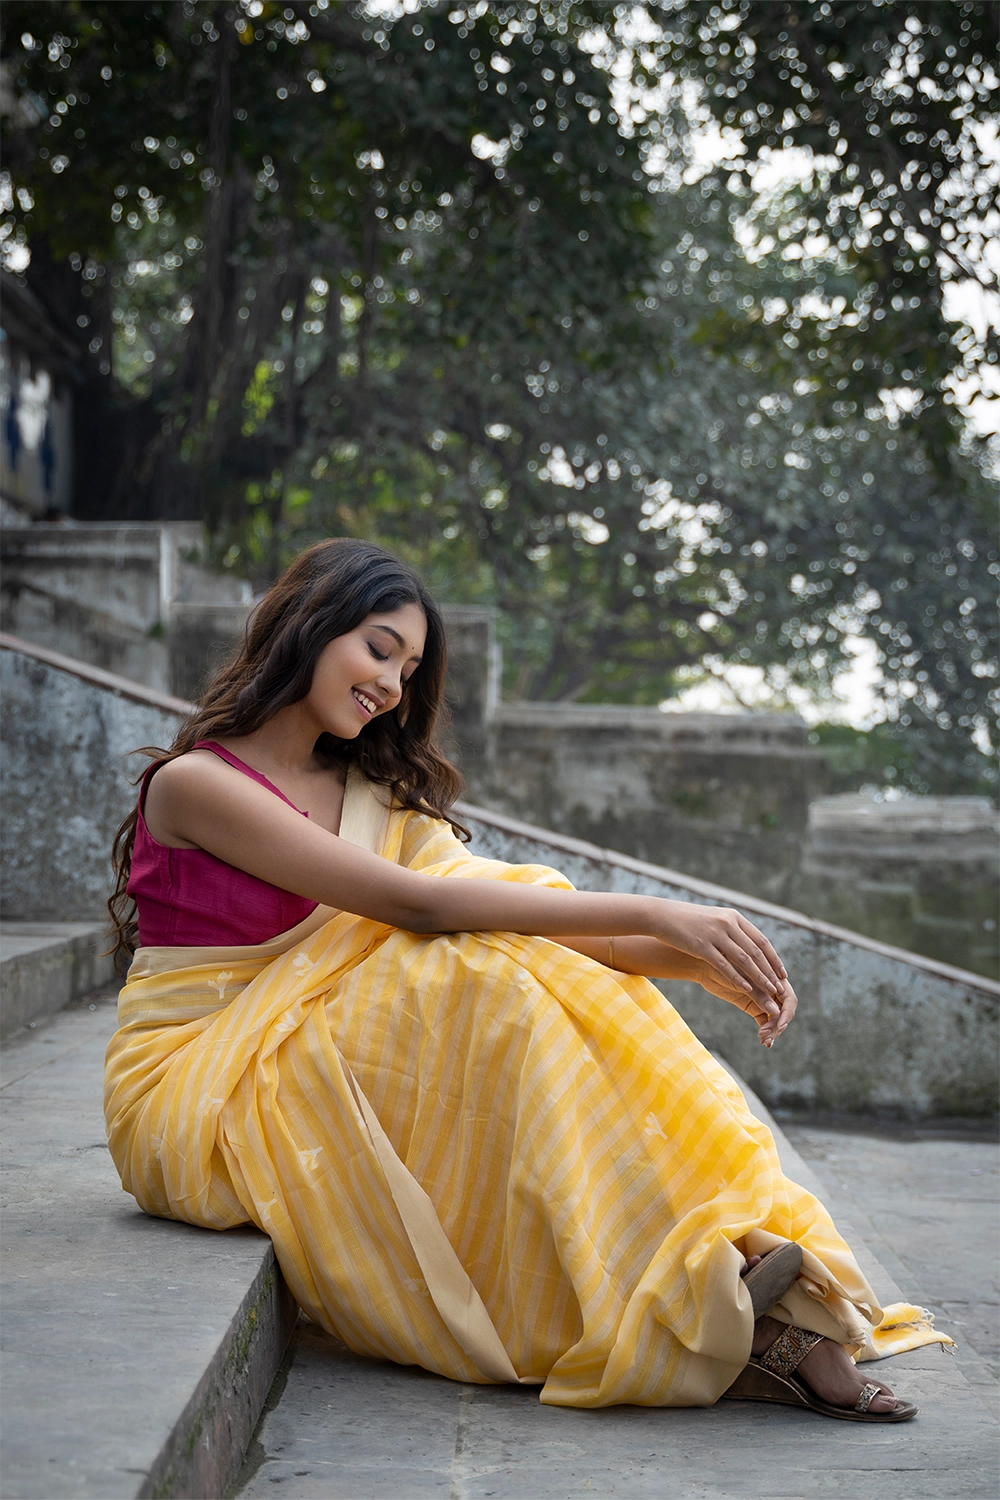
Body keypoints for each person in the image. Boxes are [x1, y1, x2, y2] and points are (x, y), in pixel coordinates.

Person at [104, 539, 932, 1420]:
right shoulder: (198, 785)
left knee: (495, 954)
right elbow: (419, 908)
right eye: (379, 649)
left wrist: (692, 962)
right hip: (197, 1078)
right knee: (454, 974)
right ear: (307, 626)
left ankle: (715, 1273)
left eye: (409, 669)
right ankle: (726, 1310)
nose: (391, 685)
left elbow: (505, 914)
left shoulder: (364, 790)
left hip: (305, 1030)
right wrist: (658, 911)